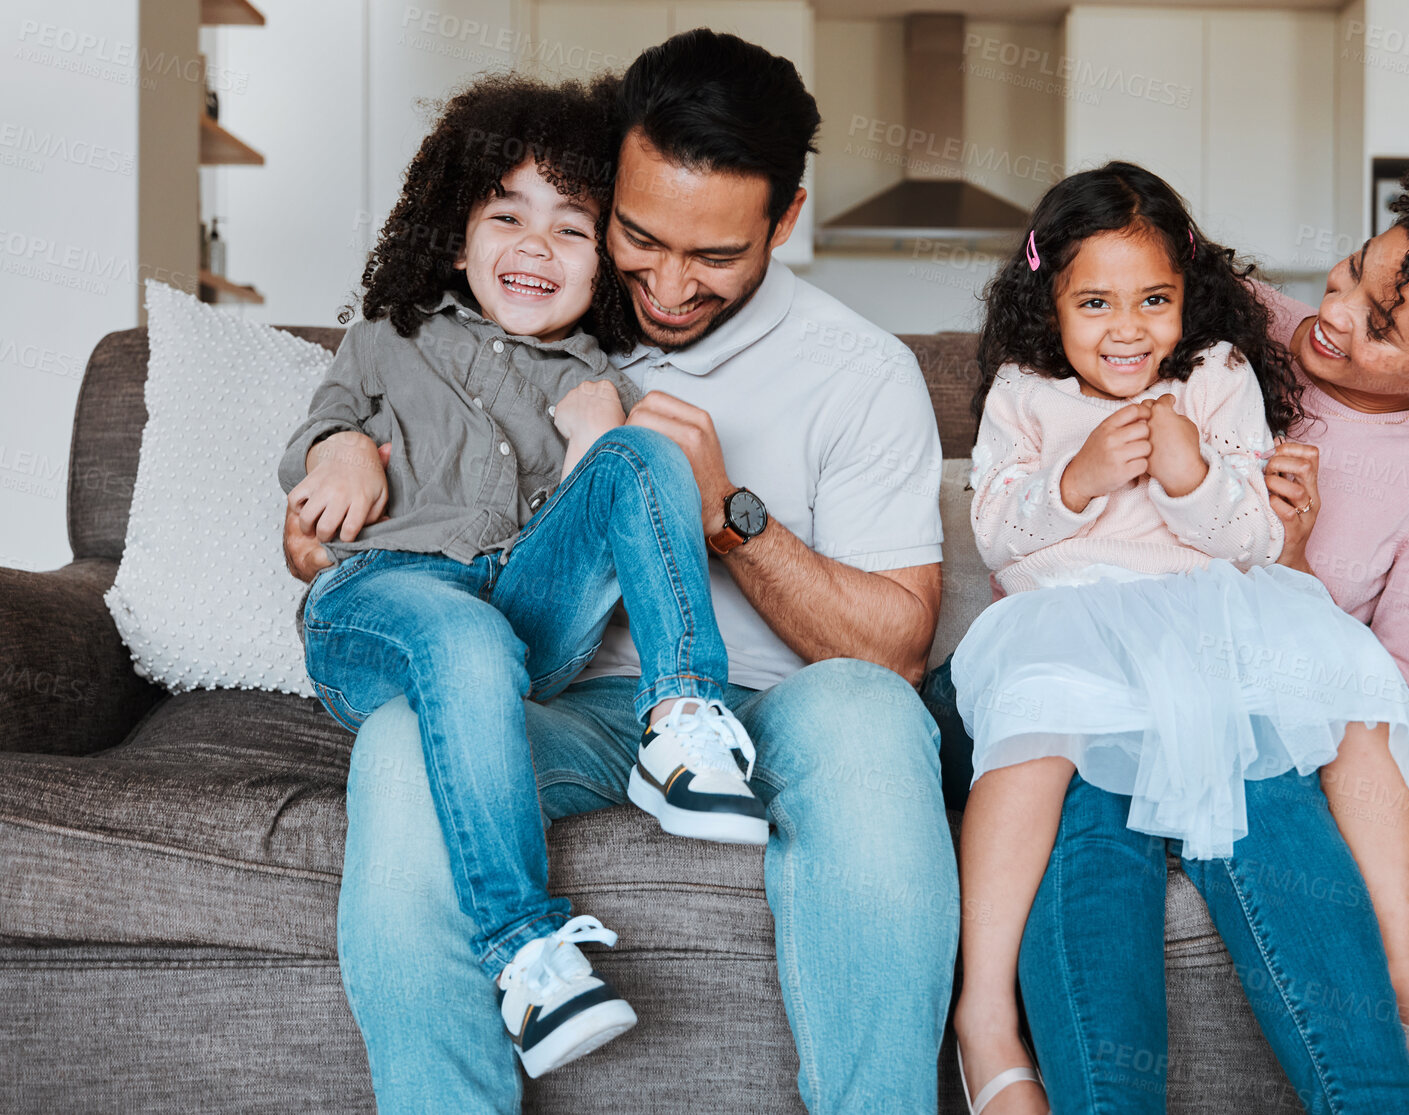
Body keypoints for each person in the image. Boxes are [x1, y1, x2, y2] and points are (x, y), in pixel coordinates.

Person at [929, 110, 1409, 1113]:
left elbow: (1389, 693)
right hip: (1074, 662)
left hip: (1248, 678)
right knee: (1089, 816)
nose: (1333, 316)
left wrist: (1279, 556)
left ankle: (1395, 1026)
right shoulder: (1228, 322)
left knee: (1275, 808)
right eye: (1350, 272)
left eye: (1383, 325)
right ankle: (997, 1037)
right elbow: (1098, 279)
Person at [284, 31, 954, 1113]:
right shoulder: (536, 306)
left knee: (875, 719)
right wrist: (330, 514)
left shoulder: (862, 373)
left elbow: (897, 647)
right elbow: (380, 492)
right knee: (409, 739)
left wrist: (731, 517)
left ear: (783, 221)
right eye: (638, 237)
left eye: (716, 256)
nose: (670, 284)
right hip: (565, 696)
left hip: (779, 705)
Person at [948, 163, 1409, 1115]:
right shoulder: (1025, 389)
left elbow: (1249, 536)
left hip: (1207, 618)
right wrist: (1077, 478)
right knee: (1033, 744)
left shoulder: (1217, 372)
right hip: (1071, 626)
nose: (1128, 328)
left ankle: (1407, 988)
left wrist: (1190, 472)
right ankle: (985, 1012)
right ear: (1050, 298)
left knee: (1356, 696)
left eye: (1155, 302)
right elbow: (998, 530)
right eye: (1095, 303)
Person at [281, 74, 774, 1080]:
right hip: (380, 602)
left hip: (519, 624)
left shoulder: (599, 378)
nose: (535, 246)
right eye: (506, 216)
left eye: (571, 229)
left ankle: (681, 720)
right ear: (455, 238)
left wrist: (601, 447)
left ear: (607, 266)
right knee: (460, 639)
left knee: (646, 456)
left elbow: (612, 525)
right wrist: (333, 452)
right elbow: (319, 434)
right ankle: (526, 951)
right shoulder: (386, 340)